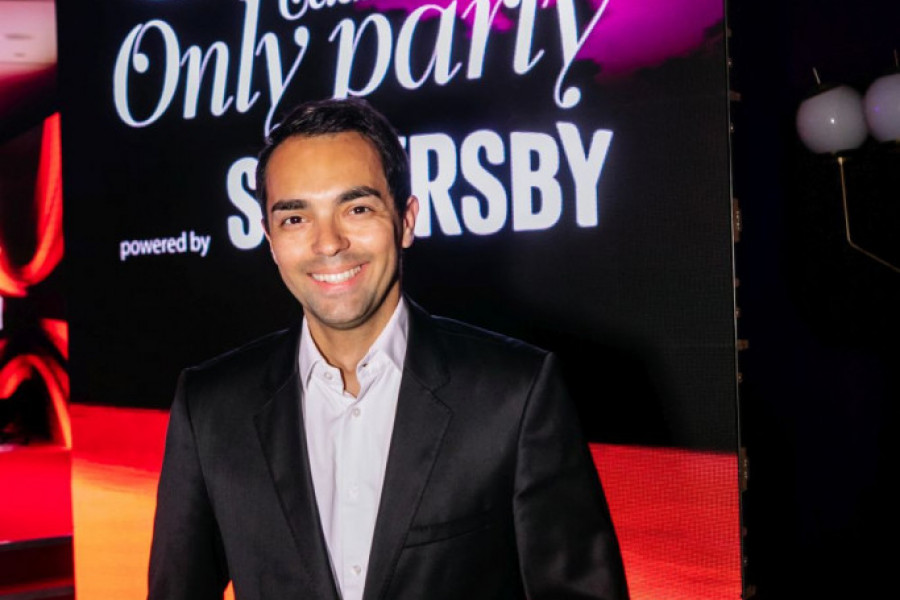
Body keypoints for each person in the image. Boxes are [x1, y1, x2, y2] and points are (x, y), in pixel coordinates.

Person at [148, 98, 628, 600]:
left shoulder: (514, 394)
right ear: (269, 238)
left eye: (356, 209)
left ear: (406, 220)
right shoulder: (211, 409)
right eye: (295, 218)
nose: (328, 243)